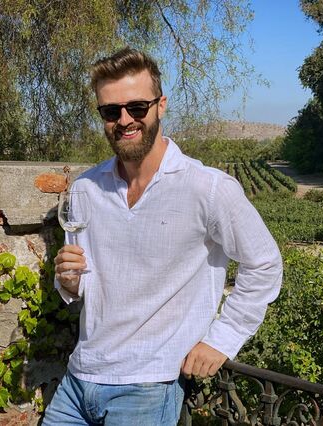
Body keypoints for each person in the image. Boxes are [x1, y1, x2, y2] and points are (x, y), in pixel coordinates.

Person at [43, 47, 283, 426]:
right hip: (79, 376)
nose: (125, 120)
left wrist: (221, 339)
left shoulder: (208, 188)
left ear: (161, 106)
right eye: (111, 111)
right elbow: (84, 284)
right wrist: (70, 282)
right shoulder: (86, 188)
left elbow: (264, 264)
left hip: (147, 386)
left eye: (137, 107)